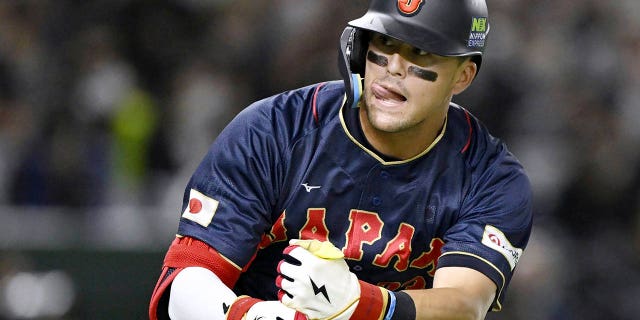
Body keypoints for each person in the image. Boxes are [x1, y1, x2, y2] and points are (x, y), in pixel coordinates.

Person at [149, 0, 533, 319]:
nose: (394, 67)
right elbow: (184, 282)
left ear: (463, 76)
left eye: (420, 52)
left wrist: (364, 303)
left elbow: (466, 303)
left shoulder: (490, 176)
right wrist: (252, 316)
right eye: (384, 42)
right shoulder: (272, 132)